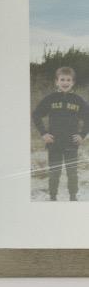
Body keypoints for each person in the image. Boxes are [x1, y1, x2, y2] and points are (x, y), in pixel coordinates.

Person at [33, 66, 89, 202]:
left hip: (71, 143)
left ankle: (73, 198)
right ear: (56, 82)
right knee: (54, 172)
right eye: (62, 79)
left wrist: (82, 135)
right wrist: (44, 133)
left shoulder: (78, 100)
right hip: (54, 143)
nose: (65, 82)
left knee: (72, 173)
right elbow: (36, 114)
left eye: (68, 80)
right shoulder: (50, 99)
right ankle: (53, 198)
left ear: (73, 82)